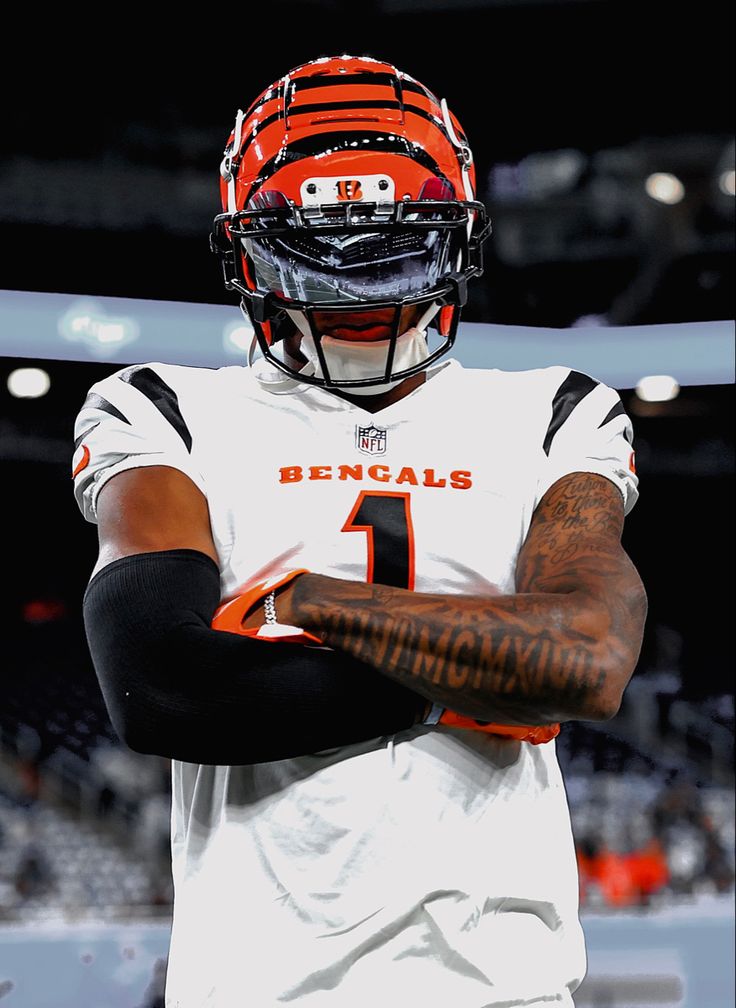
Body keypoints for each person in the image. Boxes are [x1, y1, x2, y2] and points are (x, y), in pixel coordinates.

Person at [73, 54, 647, 1008]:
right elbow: (163, 687)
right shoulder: (162, 407)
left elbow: (587, 660)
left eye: (393, 250)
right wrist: (478, 678)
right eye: (316, 252)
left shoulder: (558, 410)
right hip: (258, 988)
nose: (354, 291)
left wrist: (310, 602)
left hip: (501, 985)